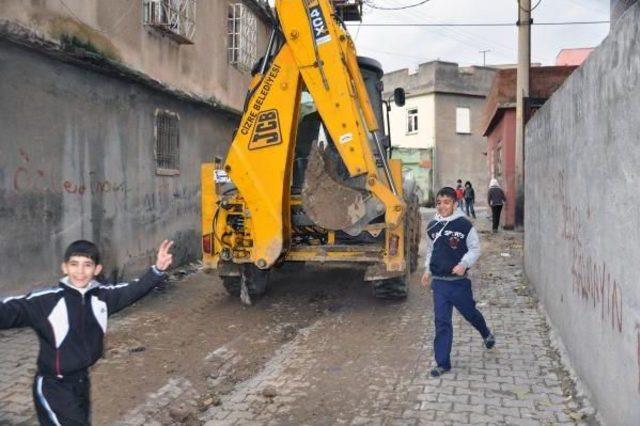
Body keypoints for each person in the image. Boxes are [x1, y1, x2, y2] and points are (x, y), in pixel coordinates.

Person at [0, 239, 174, 424]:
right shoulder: (46, 301)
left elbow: (132, 290)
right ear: (64, 267)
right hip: (54, 388)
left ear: (97, 270)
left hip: (82, 382)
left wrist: (157, 270)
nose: (80, 272)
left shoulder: (103, 297)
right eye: (74, 264)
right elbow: (10, 311)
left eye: (87, 265)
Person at [421, 187, 494, 377]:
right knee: (442, 322)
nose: (442, 206)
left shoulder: (464, 225)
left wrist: (464, 264)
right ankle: (442, 363)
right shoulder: (431, 226)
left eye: (446, 202)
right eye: (439, 202)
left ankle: (485, 332)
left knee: (470, 314)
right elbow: (431, 251)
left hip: (458, 283)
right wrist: (427, 270)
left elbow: (475, 249)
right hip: (439, 284)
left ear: (455, 204)